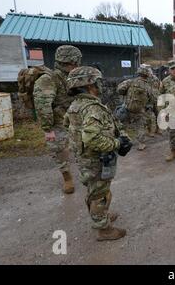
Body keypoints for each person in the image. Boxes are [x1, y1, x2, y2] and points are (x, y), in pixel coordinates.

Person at [64, 66, 132, 241]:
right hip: (95, 159)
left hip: (84, 157)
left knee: (95, 191)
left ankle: (102, 217)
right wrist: (117, 143)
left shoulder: (75, 105)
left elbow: (68, 127)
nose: (100, 85)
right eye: (98, 82)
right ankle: (104, 230)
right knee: (100, 194)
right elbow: (93, 139)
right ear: (89, 85)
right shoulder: (92, 108)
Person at [33, 45, 81, 194]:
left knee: (84, 147)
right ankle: (67, 177)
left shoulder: (73, 77)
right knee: (60, 150)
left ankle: (86, 171)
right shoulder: (48, 79)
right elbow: (42, 105)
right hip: (58, 123)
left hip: (76, 120)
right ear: (70, 60)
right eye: (75, 61)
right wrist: (48, 129)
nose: (77, 64)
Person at [117, 66, 154, 151]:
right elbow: (151, 98)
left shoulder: (130, 81)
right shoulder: (148, 86)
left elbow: (120, 89)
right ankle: (141, 144)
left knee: (122, 125)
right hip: (139, 110)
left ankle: (122, 142)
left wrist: (126, 93)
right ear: (148, 74)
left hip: (127, 108)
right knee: (140, 126)